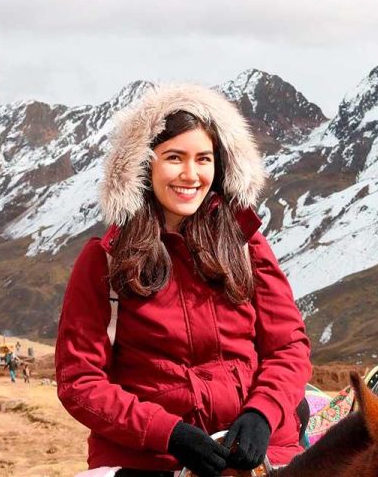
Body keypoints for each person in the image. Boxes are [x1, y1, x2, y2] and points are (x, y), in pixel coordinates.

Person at [56, 84, 311, 476]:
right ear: (143, 165)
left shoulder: (246, 245)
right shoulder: (104, 260)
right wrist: (168, 434)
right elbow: (80, 381)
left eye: (203, 159)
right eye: (174, 158)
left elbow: (288, 346)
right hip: (149, 460)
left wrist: (262, 414)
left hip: (260, 452)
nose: (191, 175)